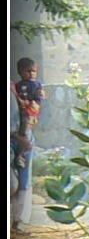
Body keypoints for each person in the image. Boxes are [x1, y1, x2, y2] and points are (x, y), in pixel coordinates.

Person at [11, 56, 45, 228]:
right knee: (13, 182)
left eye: (34, 71)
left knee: (24, 179)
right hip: (15, 138)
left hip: (25, 131)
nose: (32, 74)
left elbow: (36, 105)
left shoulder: (34, 87)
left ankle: (20, 220)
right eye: (28, 71)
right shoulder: (15, 87)